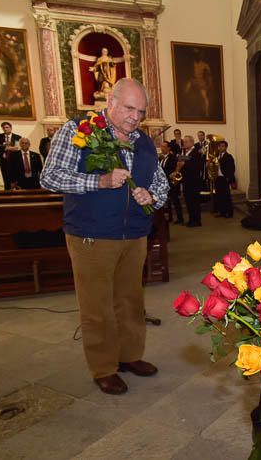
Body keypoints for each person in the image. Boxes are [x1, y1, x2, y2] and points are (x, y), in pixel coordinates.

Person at [40, 78, 169, 395]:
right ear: (109, 103)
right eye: (128, 108)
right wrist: (99, 181)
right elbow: (49, 176)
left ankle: (130, 356)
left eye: (140, 111)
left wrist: (150, 196)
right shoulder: (78, 131)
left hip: (134, 234)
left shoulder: (143, 142)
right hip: (91, 233)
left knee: (130, 301)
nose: (134, 117)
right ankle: (103, 367)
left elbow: (162, 185)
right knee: (97, 305)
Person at [176, 135, 204, 227]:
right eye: (183, 142)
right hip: (186, 181)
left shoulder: (196, 152)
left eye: (186, 142)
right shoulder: (185, 152)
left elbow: (195, 164)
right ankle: (191, 219)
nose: (184, 143)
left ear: (192, 142)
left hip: (194, 181)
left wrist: (182, 160)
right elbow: (181, 160)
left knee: (194, 201)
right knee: (188, 201)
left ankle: (196, 221)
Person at [159, 141, 183, 224]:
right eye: (161, 147)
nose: (162, 148)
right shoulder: (161, 158)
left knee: (175, 201)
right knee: (167, 201)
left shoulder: (173, 157)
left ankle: (180, 219)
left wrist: (172, 174)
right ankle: (169, 217)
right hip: (164, 183)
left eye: (164, 147)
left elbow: (174, 169)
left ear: (169, 148)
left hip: (172, 182)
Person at [0, 122, 22, 190]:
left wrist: (6, 148)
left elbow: (17, 148)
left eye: (7, 127)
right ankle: (7, 192)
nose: (5, 129)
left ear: (10, 128)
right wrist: (7, 148)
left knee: (15, 177)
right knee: (6, 177)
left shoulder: (17, 137)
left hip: (14, 160)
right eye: (4, 128)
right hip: (3, 160)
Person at [214, 140, 235, 218]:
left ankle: (229, 213)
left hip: (224, 178)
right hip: (218, 178)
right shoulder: (217, 156)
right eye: (219, 146)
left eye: (222, 146)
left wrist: (228, 178)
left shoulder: (228, 156)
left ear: (226, 147)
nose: (220, 148)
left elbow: (232, 168)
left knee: (226, 196)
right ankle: (222, 212)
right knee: (219, 196)